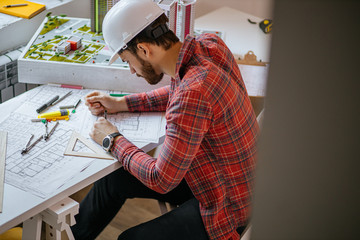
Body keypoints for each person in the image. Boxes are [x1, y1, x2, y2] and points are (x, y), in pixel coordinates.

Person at [71, 0, 259, 239]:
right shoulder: (209, 45)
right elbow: (178, 92)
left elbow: (160, 179)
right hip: (230, 179)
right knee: (113, 180)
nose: (131, 70)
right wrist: (122, 103)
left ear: (144, 50)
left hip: (228, 207)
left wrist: (111, 139)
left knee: (129, 239)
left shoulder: (192, 94)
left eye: (128, 61)